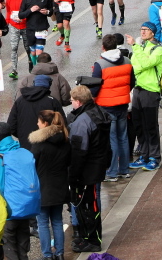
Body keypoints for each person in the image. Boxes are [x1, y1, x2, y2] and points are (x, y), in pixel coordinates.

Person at [0, 122, 39, 260]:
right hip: (26, 209)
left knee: (10, 250)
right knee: (23, 250)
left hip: (8, 212)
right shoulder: (25, 153)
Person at [67, 85, 112, 253]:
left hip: (87, 170)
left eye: (72, 100)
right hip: (98, 165)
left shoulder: (82, 121)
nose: (71, 103)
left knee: (87, 207)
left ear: (79, 102)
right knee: (92, 204)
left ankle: (92, 240)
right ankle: (89, 237)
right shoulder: (99, 112)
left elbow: (79, 152)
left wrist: (73, 175)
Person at [90, 34, 135, 182]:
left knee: (112, 139)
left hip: (106, 107)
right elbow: (132, 82)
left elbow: (94, 87)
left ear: (103, 47)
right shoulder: (127, 61)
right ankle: (124, 169)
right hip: (123, 104)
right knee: (123, 137)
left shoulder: (100, 64)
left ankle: (112, 172)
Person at [28, 110, 71, 260]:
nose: (37, 124)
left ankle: (47, 255)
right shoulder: (65, 140)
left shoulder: (39, 144)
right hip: (60, 187)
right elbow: (69, 162)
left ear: (45, 123)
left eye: (39, 121)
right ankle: (60, 253)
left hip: (43, 189)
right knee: (57, 221)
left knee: (43, 223)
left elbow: (32, 166)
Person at [127, 23, 162, 172]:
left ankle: (154, 157)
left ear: (152, 33)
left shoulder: (158, 49)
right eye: (141, 29)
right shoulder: (142, 48)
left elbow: (146, 63)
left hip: (151, 90)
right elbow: (135, 66)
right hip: (138, 90)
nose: (142, 32)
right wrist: (140, 57)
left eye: (146, 30)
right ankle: (144, 155)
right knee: (138, 125)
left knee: (151, 126)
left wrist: (135, 47)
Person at [8, 75, 66, 150]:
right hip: (48, 147)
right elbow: (62, 125)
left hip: (25, 146)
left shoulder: (20, 101)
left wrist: (23, 136)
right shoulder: (53, 102)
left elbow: (11, 125)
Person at [18, 0, 55, 65]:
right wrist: (30, 10)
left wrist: (47, 12)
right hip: (30, 29)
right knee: (33, 52)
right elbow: (21, 15)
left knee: (39, 52)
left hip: (42, 28)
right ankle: (35, 68)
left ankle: (39, 69)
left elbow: (51, 12)